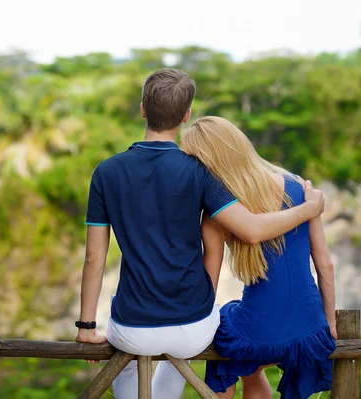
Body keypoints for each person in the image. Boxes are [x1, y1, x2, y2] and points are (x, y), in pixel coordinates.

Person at [74, 68, 326, 399]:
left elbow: (94, 258)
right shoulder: (200, 172)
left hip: (133, 326)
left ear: (143, 109)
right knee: (176, 354)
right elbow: (251, 230)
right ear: (186, 116)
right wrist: (307, 210)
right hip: (193, 326)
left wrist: (87, 328)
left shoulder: (106, 172)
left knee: (135, 361)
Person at [181, 116, 336, 399]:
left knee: (223, 331)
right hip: (311, 330)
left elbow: (209, 290)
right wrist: (330, 325)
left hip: (260, 332)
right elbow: (325, 265)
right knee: (250, 361)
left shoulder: (218, 215)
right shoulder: (301, 188)